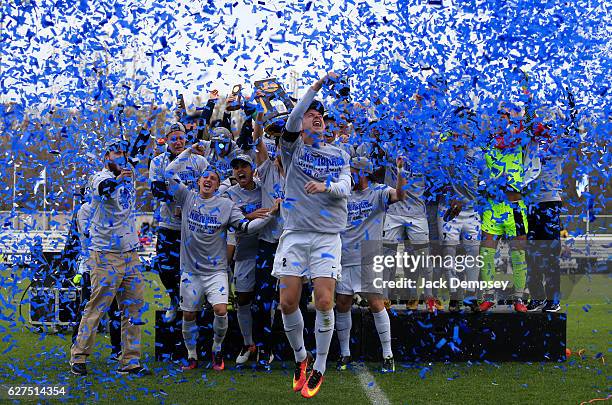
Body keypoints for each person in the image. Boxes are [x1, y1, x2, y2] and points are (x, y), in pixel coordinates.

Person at [164, 144, 279, 372]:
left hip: (216, 270)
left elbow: (245, 227)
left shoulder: (226, 205)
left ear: (218, 185)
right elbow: (168, 173)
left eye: (213, 178)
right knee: (188, 313)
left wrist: (271, 215)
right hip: (190, 270)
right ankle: (192, 354)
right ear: (198, 182)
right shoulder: (187, 198)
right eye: (204, 177)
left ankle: (217, 349)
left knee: (221, 310)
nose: (208, 180)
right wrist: (188, 151)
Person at [273, 71, 351, 398]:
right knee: (287, 302)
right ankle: (301, 358)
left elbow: (346, 187)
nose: (316, 117)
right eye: (311, 114)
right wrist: (317, 84)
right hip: (295, 235)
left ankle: (319, 365)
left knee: (323, 301)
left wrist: (326, 186)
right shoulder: (292, 149)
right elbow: (292, 118)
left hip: (327, 236)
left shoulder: (339, 155)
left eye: (321, 115)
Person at [69, 138, 149, 377]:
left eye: (123, 153)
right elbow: (105, 191)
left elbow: (141, 144)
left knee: (133, 309)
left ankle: (130, 361)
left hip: (130, 253)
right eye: (116, 153)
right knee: (97, 307)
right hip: (105, 254)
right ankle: (79, 356)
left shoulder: (128, 173)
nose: (121, 156)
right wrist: (118, 180)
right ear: (107, 157)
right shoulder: (100, 178)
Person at [335, 155, 405, 373]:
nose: (349, 174)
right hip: (344, 258)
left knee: (376, 304)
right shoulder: (343, 194)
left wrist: (401, 172)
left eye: (354, 170)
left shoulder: (379, 192)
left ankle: (388, 355)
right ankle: (345, 353)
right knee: (342, 304)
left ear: (364, 173)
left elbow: (400, 195)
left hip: (368, 258)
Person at [478, 107, 536, 313]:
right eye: (498, 120)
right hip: (493, 206)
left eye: (505, 119)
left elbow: (531, 121)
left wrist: (527, 93)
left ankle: (519, 298)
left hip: (516, 208)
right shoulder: (487, 146)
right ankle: (488, 296)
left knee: (519, 254)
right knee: (486, 252)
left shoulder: (519, 142)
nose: (501, 123)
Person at [149, 123, 209, 322]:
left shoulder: (198, 160)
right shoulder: (158, 161)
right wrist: (174, 201)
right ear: (166, 140)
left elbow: (210, 185)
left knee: (197, 266)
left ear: (186, 139)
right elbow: (156, 189)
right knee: (165, 265)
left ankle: (201, 302)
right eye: (173, 138)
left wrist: (194, 205)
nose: (178, 141)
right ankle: (174, 299)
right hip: (169, 223)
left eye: (181, 137)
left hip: (194, 224)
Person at [526, 95, 579, 312]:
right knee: (531, 254)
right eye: (543, 120)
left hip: (549, 202)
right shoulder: (529, 143)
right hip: (529, 203)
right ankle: (537, 296)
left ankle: (553, 299)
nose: (545, 124)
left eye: (550, 121)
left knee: (549, 253)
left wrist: (572, 108)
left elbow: (573, 132)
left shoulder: (558, 144)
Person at [223, 154, 270, 367]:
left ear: (253, 169)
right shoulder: (229, 194)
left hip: (266, 250)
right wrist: (247, 216)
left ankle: (264, 345)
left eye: (244, 166)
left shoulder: (264, 189)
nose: (240, 170)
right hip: (243, 253)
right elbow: (225, 217)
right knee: (243, 299)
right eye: (236, 168)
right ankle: (248, 343)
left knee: (265, 301)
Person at [71, 187, 122, 358]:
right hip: (92, 266)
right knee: (88, 308)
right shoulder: (85, 210)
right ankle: (78, 347)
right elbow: (89, 236)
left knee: (115, 309)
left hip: (114, 266)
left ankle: (117, 349)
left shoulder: (109, 208)